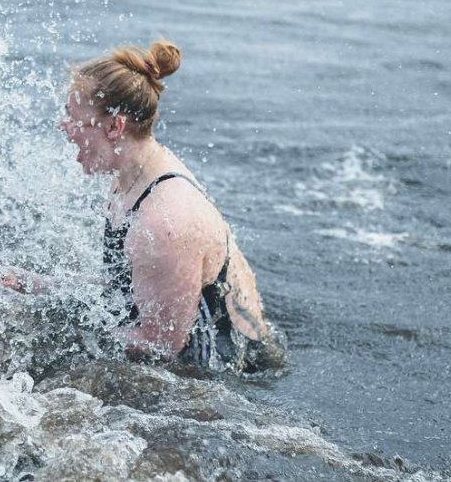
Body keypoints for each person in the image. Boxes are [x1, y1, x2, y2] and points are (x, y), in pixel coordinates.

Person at [59, 39, 285, 373]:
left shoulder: (164, 220)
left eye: (75, 120)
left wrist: (65, 328)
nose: (65, 130)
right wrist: (39, 288)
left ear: (115, 126)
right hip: (187, 348)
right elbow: (134, 287)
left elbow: (162, 345)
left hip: (233, 376)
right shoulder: (129, 179)